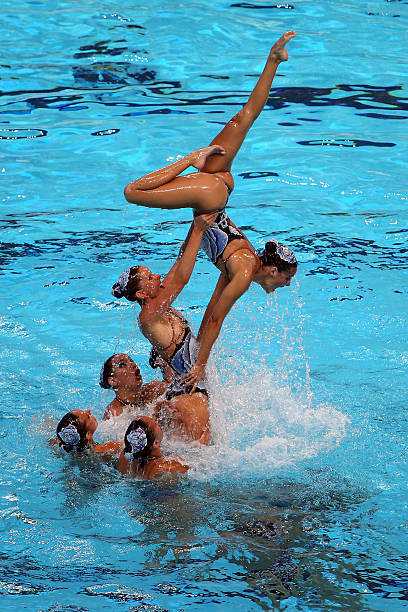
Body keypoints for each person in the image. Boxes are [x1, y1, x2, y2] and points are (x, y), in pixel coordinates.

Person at [122, 31, 298, 391]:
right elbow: (217, 317)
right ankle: (191, 156)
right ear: (273, 270)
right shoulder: (245, 272)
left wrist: (199, 356)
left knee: (243, 118)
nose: (287, 284)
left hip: (217, 192)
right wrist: (200, 366)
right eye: (287, 277)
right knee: (132, 192)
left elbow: (209, 315)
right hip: (210, 196)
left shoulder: (243, 265)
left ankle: (274, 59)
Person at [111, 212, 216, 444]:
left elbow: (180, 261)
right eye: (150, 277)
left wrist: (196, 221)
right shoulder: (149, 316)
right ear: (141, 294)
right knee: (198, 463)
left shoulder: (158, 303)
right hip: (190, 396)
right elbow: (182, 279)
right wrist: (199, 230)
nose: (157, 276)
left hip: (190, 390)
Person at [99, 353, 167, 420]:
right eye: (122, 364)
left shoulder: (154, 390)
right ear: (113, 381)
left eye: (131, 361)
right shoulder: (114, 414)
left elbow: (176, 391)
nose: (134, 364)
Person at [117, 416, 188, 478]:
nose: (155, 420)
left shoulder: (124, 457)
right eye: (155, 424)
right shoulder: (165, 468)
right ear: (156, 443)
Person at [56, 409, 122, 454]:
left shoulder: (63, 444)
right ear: (88, 434)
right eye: (88, 416)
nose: (88, 410)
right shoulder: (109, 449)